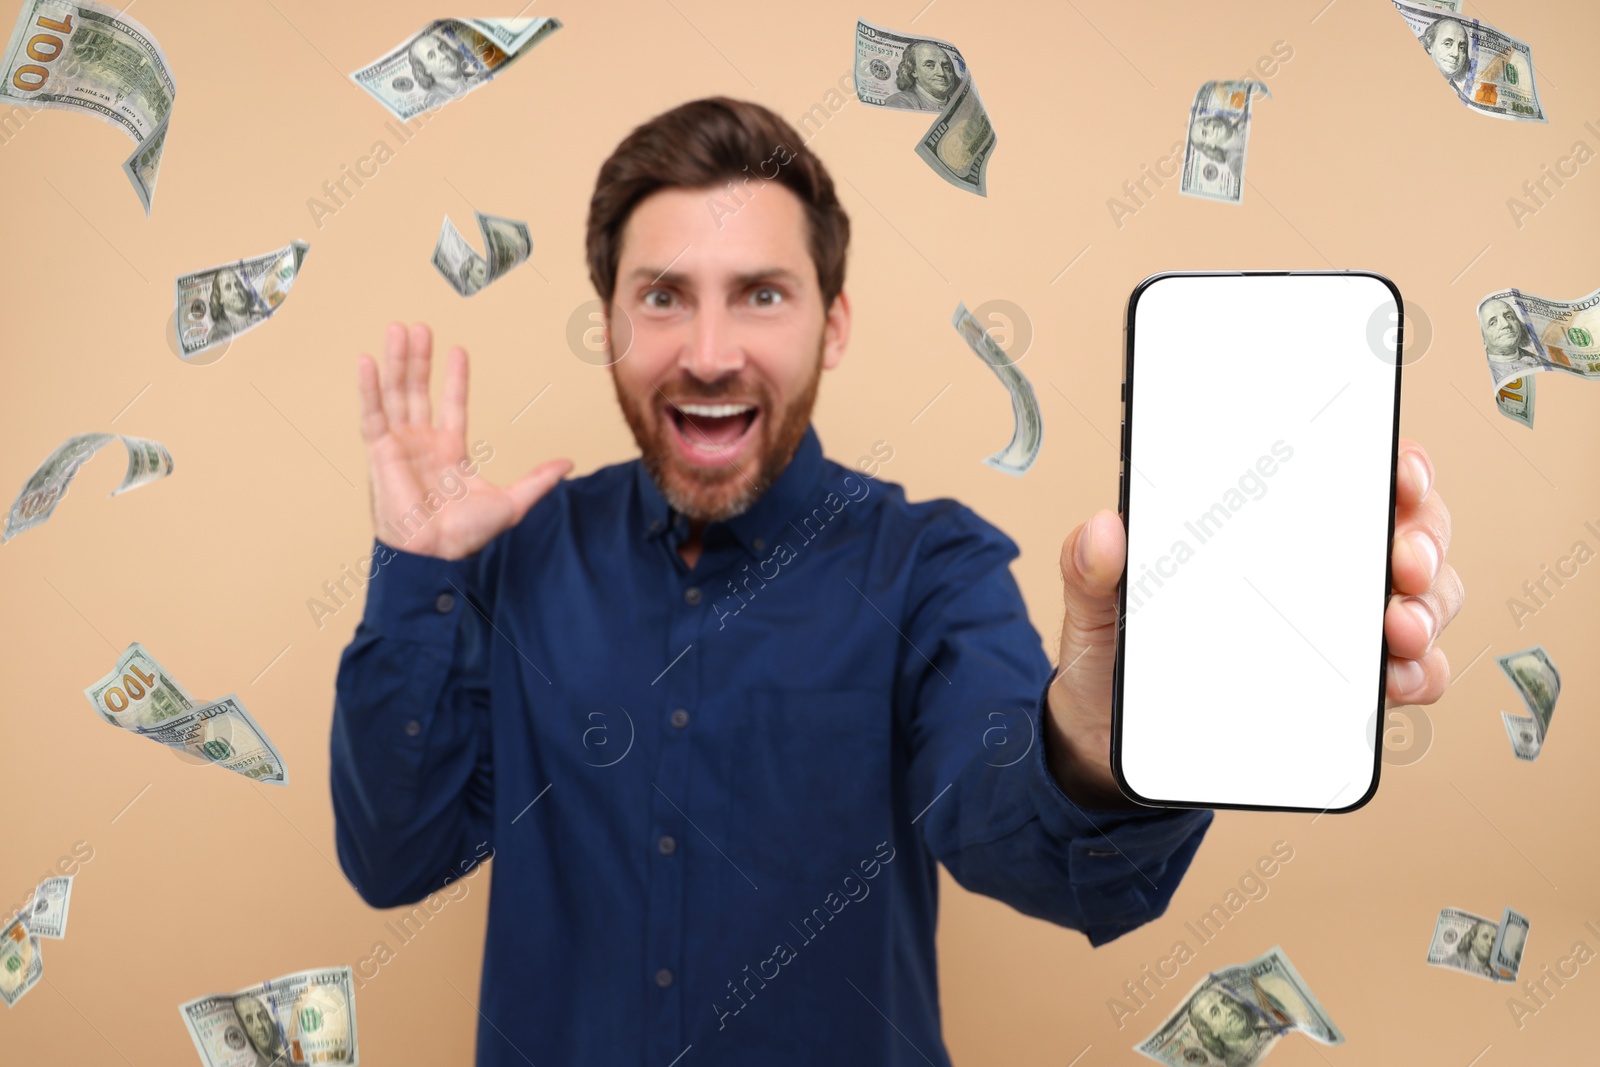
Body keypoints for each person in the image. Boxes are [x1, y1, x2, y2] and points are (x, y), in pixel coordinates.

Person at [329, 96, 1464, 1065]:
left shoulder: (930, 566)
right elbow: (397, 857)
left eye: (762, 294)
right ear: (613, 324)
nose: (711, 349)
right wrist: (416, 576)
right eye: (663, 295)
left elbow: (1020, 834)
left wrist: (1102, 732)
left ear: (833, 325)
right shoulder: (508, 562)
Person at [883, 40, 960, 111]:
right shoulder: (899, 102)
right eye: (929, 65)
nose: (941, 73)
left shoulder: (959, 105)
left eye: (946, 67)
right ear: (913, 71)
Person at [1478, 297, 1542, 381]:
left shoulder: (1541, 362)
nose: (1505, 324)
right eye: (1493, 323)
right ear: (1483, 338)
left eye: (1509, 317)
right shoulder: (1481, 375)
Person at [231, 993, 291, 1066]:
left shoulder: (285, 1061)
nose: (259, 1025)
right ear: (242, 1029)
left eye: (262, 1017)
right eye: (249, 1020)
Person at [1419, 17, 1470, 92]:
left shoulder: (1460, 95)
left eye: (1462, 48)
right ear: (1430, 46)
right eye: (1447, 44)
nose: (1455, 54)